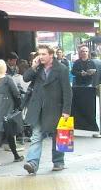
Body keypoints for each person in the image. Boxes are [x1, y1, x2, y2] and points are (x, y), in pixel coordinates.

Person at [22, 45, 72, 174]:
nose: (41, 57)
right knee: (36, 136)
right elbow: (25, 78)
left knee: (58, 136)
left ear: (51, 55)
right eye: (40, 54)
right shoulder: (37, 68)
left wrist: (66, 111)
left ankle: (58, 161)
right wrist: (33, 66)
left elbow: (67, 91)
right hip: (38, 108)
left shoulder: (62, 69)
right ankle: (32, 163)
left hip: (55, 108)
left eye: (44, 54)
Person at [0, 59, 23, 166]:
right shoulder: (7, 79)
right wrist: (19, 105)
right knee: (1, 134)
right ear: (4, 68)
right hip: (7, 108)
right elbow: (16, 93)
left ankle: (16, 156)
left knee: (8, 132)